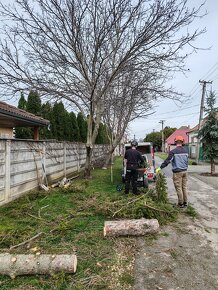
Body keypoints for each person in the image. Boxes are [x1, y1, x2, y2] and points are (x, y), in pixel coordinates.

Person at [156, 136, 188, 208]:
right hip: (185, 171)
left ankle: (180, 204)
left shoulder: (173, 152)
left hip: (177, 172)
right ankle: (185, 203)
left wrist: (160, 168)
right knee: (184, 187)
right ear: (182, 142)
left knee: (178, 188)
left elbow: (167, 161)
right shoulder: (186, 151)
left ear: (175, 142)